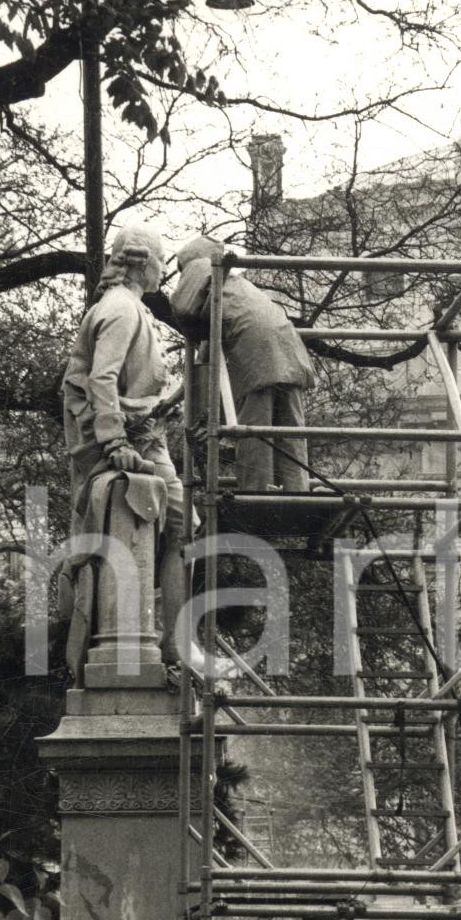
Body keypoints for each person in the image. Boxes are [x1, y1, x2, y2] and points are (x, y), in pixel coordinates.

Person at [61, 221, 185, 666]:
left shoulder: (133, 308)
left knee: (183, 526)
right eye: (160, 262)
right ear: (142, 263)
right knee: (179, 523)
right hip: (125, 439)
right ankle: (167, 639)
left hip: (144, 432)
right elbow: (101, 378)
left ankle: (172, 638)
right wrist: (114, 442)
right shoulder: (120, 308)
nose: (162, 273)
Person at [169, 235, 315, 493]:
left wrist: (192, 411)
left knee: (254, 435)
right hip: (289, 353)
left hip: (256, 359)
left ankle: (254, 496)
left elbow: (201, 359)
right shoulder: (240, 289)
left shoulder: (207, 287)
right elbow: (208, 354)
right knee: (290, 433)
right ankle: (297, 494)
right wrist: (173, 400)